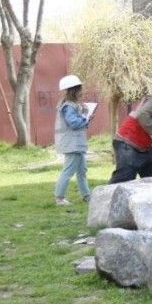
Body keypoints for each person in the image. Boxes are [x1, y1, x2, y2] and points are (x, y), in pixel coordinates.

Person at [53, 75, 93, 206]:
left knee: (82, 171)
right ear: (74, 91)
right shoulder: (68, 107)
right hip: (71, 144)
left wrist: (85, 115)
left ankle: (87, 196)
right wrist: (86, 117)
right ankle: (59, 198)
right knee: (68, 171)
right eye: (80, 89)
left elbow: (78, 122)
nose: (82, 92)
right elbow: (74, 123)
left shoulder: (72, 105)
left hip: (76, 144)